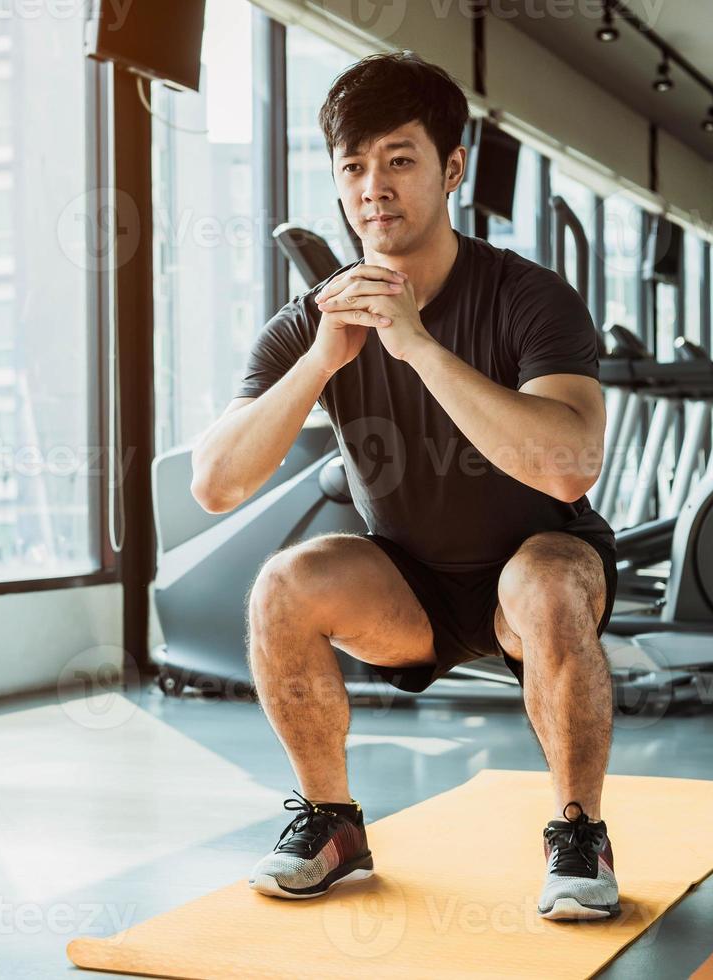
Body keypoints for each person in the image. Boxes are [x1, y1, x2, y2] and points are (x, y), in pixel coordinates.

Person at [188, 51, 619, 920]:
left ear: (451, 169)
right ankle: (333, 821)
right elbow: (217, 485)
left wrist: (417, 345)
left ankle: (580, 834)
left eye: (399, 159)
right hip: (408, 587)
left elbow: (570, 463)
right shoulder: (310, 323)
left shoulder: (529, 299)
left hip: (528, 573)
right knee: (284, 584)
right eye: (354, 166)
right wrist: (321, 357)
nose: (372, 186)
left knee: (549, 579)